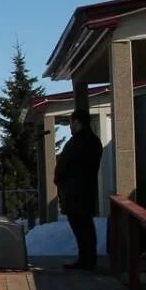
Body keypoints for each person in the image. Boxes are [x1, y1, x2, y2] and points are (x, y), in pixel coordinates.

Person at [54, 108, 104, 271]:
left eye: (71, 122)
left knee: (82, 228)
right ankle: (87, 259)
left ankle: (86, 260)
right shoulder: (94, 141)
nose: (70, 126)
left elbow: (65, 164)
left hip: (75, 192)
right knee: (86, 227)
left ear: (76, 122)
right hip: (86, 190)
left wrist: (59, 178)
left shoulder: (77, 142)